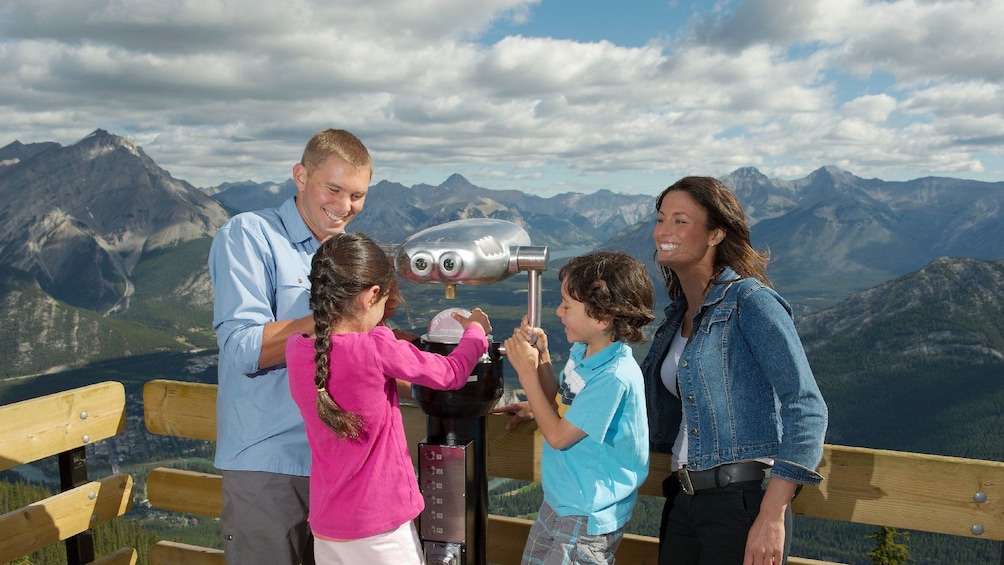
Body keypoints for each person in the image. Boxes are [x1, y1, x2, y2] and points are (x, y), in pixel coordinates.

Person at [642, 176, 827, 565]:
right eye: (661, 219)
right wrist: (556, 407)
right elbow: (642, 407)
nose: (664, 231)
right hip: (684, 498)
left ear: (716, 235)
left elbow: (807, 408)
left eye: (680, 221)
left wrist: (772, 515)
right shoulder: (676, 318)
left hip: (741, 503)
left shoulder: (750, 302)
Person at [208, 129, 373, 565]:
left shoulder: (339, 252)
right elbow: (243, 347)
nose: (344, 206)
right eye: (333, 189)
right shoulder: (250, 235)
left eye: (357, 195)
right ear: (301, 176)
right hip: (269, 463)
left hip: (334, 464)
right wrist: (339, 320)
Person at [286, 232, 492, 564]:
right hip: (380, 528)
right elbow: (451, 374)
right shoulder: (375, 347)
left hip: (327, 528)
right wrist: (475, 333)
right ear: (371, 295)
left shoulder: (296, 350)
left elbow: (351, 372)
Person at [503, 251, 656, 565]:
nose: (558, 312)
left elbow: (559, 436)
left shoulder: (614, 377)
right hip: (562, 501)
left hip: (587, 515)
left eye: (567, 306)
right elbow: (562, 401)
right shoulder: (584, 352)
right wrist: (543, 358)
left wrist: (526, 373)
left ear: (602, 318)